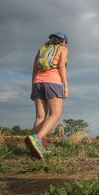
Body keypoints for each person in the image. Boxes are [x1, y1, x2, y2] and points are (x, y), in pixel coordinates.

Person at [26, 32, 69, 160]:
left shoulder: (42, 49)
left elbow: (34, 68)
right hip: (53, 82)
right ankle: (37, 139)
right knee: (55, 114)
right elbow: (61, 66)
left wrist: (33, 86)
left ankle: (35, 148)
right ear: (63, 42)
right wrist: (65, 86)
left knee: (40, 117)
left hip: (38, 83)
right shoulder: (63, 49)